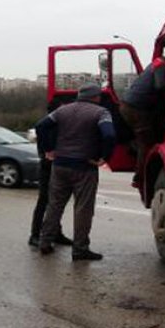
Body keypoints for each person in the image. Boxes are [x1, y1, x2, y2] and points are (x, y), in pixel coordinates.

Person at [36, 83, 116, 261]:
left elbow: (41, 126)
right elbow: (109, 135)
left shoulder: (62, 111)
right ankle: (80, 249)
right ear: (96, 97)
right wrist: (105, 157)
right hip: (84, 167)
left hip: (60, 165)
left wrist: (48, 149)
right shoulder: (101, 113)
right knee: (83, 209)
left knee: (54, 205)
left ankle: (45, 242)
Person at [119, 56, 165, 187]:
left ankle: (134, 147)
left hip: (129, 106)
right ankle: (140, 178)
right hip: (136, 109)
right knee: (147, 143)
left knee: (144, 138)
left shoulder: (155, 64)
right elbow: (161, 88)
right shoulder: (163, 66)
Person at [28, 122, 73, 247]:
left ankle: (55, 232)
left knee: (55, 202)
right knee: (44, 201)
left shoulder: (56, 122)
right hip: (48, 166)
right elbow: (40, 131)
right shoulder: (49, 123)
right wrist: (48, 151)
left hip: (53, 164)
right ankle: (35, 235)